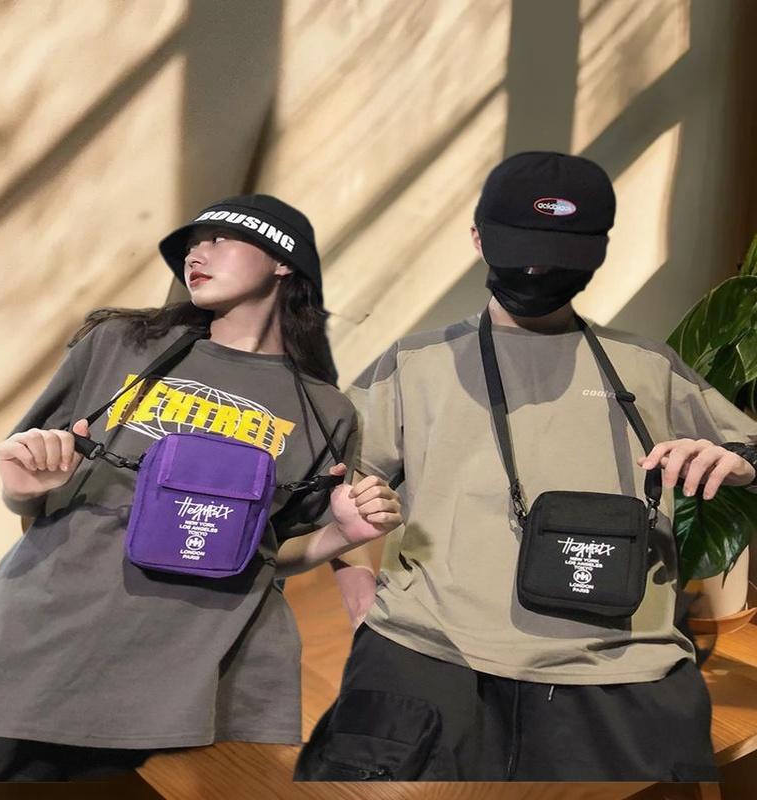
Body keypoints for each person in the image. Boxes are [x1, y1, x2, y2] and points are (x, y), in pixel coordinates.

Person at [297, 152, 757, 782]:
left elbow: (748, 449)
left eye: (559, 255)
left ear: (597, 253)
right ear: (479, 239)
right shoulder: (415, 364)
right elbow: (336, 491)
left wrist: (739, 462)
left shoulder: (648, 368)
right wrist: (363, 613)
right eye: (523, 250)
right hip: (431, 655)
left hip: (621, 663)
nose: (537, 270)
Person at [0, 194, 403, 781]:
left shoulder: (326, 412)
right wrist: (23, 490)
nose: (196, 253)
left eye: (218, 239)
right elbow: (31, 499)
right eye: (192, 244)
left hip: (185, 685)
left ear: (283, 261)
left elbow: (269, 556)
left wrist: (341, 536)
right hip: (39, 644)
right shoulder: (118, 344)